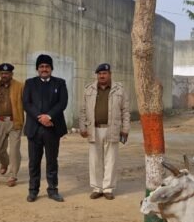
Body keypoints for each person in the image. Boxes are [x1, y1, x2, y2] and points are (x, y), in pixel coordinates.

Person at [79, 63, 130, 200]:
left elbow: (125, 111)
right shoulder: (89, 89)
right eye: (100, 74)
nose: (102, 76)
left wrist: (125, 129)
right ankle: (97, 188)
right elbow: (83, 110)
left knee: (111, 160)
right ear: (97, 75)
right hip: (94, 129)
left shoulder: (119, 90)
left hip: (112, 128)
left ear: (110, 74)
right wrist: (82, 127)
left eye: (104, 73)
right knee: (94, 160)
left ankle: (108, 188)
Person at [22, 54, 68, 202]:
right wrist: (40, 117)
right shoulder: (30, 83)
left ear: (51, 68)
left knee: (52, 161)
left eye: (47, 66)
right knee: (34, 162)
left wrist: (49, 116)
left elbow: (62, 103)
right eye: (41, 66)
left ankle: (53, 190)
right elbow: (26, 103)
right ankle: (33, 190)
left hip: (52, 128)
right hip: (34, 129)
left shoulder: (60, 83)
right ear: (37, 69)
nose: (44, 69)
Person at [0, 63, 24, 187]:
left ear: (11, 74)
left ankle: (13, 175)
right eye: (2, 73)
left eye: (6, 73)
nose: (4, 75)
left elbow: (27, 103)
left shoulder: (20, 86)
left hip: (15, 121)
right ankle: (4, 163)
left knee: (14, 150)